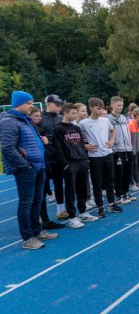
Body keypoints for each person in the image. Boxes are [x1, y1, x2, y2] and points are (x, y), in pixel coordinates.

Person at [0, 91, 58, 249]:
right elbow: (7, 148)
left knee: (37, 200)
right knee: (26, 202)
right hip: (27, 169)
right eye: (28, 103)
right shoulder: (9, 121)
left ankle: (37, 231)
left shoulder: (25, 120)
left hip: (38, 166)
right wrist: (25, 165)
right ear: (18, 103)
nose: (32, 106)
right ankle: (27, 237)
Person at [52, 103, 99, 228]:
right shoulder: (58, 129)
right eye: (72, 113)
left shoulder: (76, 128)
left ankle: (83, 211)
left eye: (75, 113)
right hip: (70, 163)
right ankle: (72, 217)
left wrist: (85, 159)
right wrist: (65, 165)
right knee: (70, 190)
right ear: (65, 113)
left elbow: (81, 145)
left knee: (82, 188)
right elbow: (58, 149)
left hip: (81, 161)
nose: (74, 116)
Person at [80, 98, 122, 217]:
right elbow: (78, 138)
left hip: (108, 154)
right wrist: (86, 146)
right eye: (98, 109)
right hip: (95, 157)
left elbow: (112, 130)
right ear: (91, 108)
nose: (100, 111)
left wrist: (112, 140)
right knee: (97, 183)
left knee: (110, 180)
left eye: (102, 109)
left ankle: (112, 203)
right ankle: (100, 207)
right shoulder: (84, 123)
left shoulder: (105, 120)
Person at [41, 94, 68, 224]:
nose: (59, 107)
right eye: (57, 104)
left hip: (59, 157)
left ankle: (61, 210)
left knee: (59, 183)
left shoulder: (61, 118)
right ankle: (41, 215)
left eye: (60, 104)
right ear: (49, 105)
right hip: (45, 157)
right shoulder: (38, 118)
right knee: (42, 186)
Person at [107, 96, 135, 203]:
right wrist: (114, 148)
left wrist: (130, 145)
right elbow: (109, 135)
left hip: (127, 148)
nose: (120, 107)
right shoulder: (108, 119)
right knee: (119, 173)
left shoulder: (123, 117)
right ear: (112, 105)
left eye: (122, 105)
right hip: (117, 150)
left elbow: (127, 132)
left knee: (128, 171)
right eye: (118, 105)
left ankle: (125, 192)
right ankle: (119, 195)